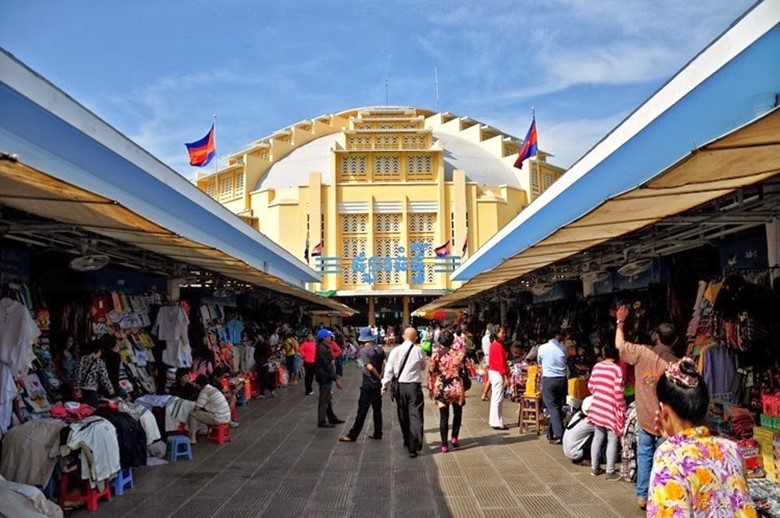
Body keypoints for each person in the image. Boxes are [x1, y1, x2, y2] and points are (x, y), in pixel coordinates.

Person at [648, 358, 756, 516]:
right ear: (705, 408)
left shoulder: (668, 459)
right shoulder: (731, 448)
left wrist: (672, 445)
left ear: (664, 411)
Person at [615, 304, 680, 510]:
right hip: (665, 421)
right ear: (676, 341)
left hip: (644, 416)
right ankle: (660, 496)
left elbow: (619, 345)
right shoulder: (676, 363)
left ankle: (643, 496)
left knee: (645, 455)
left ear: (656, 337)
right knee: (664, 459)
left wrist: (620, 321)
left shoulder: (642, 352)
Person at [381, 327, 426, 458]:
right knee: (416, 415)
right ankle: (415, 445)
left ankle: (407, 438)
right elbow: (423, 367)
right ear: (416, 337)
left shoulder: (395, 351)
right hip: (414, 386)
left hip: (400, 386)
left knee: (402, 413)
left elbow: (389, 368)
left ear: (403, 336)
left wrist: (384, 384)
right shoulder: (419, 350)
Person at [339, 327, 386, 442]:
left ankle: (353, 435)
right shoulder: (379, 349)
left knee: (362, 410)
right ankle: (378, 432)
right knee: (377, 410)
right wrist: (383, 376)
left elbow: (369, 366)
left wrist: (377, 375)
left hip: (368, 384)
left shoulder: (364, 351)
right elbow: (386, 362)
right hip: (377, 385)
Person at [587, 343, 625, 480]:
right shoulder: (617, 370)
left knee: (597, 437)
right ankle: (610, 471)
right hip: (611, 409)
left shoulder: (597, 367)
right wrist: (623, 408)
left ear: (604, 354)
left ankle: (594, 468)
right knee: (612, 439)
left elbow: (591, 386)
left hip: (597, 406)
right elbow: (618, 393)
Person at [427, 329, 466, 452]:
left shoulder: (436, 355)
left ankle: (444, 445)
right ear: (452, 341)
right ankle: (454, 437)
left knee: (444, 416)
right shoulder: (459, 354)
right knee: (457, 413)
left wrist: (430, 387)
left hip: (442, 386)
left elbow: (431, 372)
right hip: (456, 386)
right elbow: (464, 369)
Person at [538, 326, 568, 444]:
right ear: (557, 335)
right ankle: (551, 433)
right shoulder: (564, 348)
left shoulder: (542, 348)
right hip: (561, 379)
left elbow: (540, 362)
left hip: (549, 379)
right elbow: (565, 359)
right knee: (558, 406)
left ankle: (559, 434)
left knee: (553, 407)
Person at [188, 375, 232, 444]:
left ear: (199, 385)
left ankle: (193, 438)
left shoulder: (204, 392)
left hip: (219, 418)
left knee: (193, 414)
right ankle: (199, 430)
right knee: (201, 414)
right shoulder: (212, 388)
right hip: (227, 416)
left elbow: (197, 409)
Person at [314, 329, 344, 428]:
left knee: (327, 398)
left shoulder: (324, 347)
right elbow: (327, 364)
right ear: (324, 338)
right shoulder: (322, 348)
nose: (330, 337)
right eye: (329, 336)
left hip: (325, 376)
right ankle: (321, 421)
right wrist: (336, 378)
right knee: (324, 398)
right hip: (324, 377)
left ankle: (332, 418)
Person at [73, 339, 115, 407]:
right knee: (93, 411)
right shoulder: (99, 362)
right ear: (99, 351)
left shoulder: (81, 359)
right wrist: (111, 389)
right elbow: (104, 378)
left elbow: (75, 373)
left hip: (77, 392)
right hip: (90, 391)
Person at [487, 326, 509, 430]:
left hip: (494, 372)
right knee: (497, 398)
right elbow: (501, 363)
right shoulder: (497, 346)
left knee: (496, 397)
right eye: (502, 332)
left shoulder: (495, 344)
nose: (504, 334)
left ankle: (496, 421)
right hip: (497, 373)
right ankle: (496, 422)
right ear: (497, 333)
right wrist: (506, 376)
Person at [562, 396, 595, 464]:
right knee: (600, 434)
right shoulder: (588, 423)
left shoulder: (577, 415)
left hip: (568, 450)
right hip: (576, 453)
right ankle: (589, 457)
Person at [480, 324, 493, 401]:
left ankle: (485, 393)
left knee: (490, 376)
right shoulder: (491, 337)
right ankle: (484, 394)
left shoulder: (484, 337)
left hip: (486, 356)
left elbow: (482, 347)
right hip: (491, 357)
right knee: (491, 377)